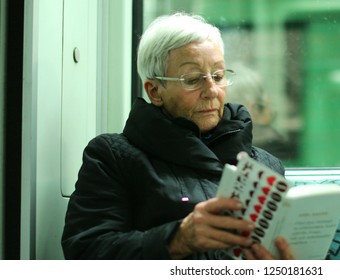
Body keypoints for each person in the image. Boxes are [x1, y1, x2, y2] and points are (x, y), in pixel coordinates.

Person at [61, 13, 295, 260]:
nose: (212, 91)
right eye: (193, 79)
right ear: (155, 91)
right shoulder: (112, 157)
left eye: (218, 76)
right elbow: (85, 251)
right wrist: (178, 239)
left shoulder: (266, 165)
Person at [226, 62, 289, 159]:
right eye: (264, 91)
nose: (269, 100)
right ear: (254, 106)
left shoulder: (223, 142)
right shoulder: (272, 142)